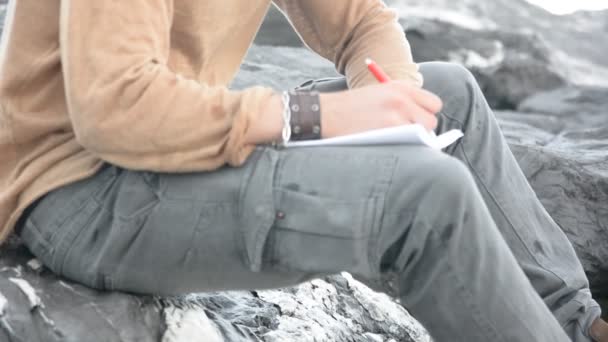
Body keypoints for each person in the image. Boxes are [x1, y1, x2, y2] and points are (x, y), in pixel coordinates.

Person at [0, 0, 605, 341]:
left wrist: (388, 103)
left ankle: (573, 326)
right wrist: (323, 115)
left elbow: (363, 21)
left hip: (176, 156)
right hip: (79, 191)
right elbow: (116, 109)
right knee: (427, 199)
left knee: (449, 94)